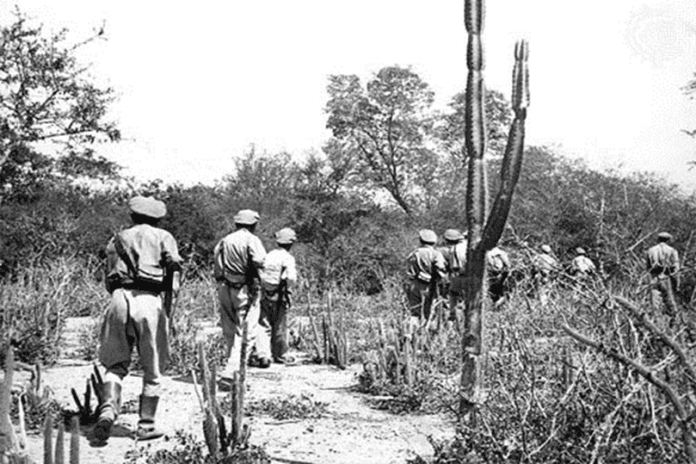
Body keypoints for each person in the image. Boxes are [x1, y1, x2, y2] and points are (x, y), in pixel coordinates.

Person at [96, 195, 182, 442]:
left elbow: (107, 279)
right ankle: (146, 424)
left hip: (118, 298)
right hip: (149, 300)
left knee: (115, 365)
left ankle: (108, 410)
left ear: (132, 216)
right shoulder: (163, 237)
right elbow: (174, 273)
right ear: (157, 218)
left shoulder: (117, 239)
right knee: (152, 367)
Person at [214, 209, 267, 374]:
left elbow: (217, 260)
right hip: (244, 288)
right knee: (246, 330)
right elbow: (259, 260)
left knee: (229, 329)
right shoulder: (252, 239)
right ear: (254, 224)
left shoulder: (225, 240)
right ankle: (233, 370)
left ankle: (231, 365)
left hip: (224, 286)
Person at [256, 228, 298, 365]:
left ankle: (263, 355)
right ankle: (280, 354)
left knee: (263, 324)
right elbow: (291, 278)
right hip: (280, 295)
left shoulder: (268, 255)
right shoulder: (288, 258)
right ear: (290, 243)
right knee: (280, 325)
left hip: (263, 293)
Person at [405, 229, 446, 322]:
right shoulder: (436, 254)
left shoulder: (414, 253)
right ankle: (427, 334)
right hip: (430, 286)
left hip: (414, 285)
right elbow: (441, 270)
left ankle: (410, 333)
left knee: (414, 312)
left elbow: (409, 271)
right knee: (430, 313)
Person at [645, 231, 680, 314]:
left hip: (653, 278)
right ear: (668, 240)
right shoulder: (672, 251)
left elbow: (647, 267)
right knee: (670, 303)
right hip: (666, 278)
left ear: (658, 239)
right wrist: (677, 284)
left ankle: (656, 321)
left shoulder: (650, 250)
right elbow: (676, 269)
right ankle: (673, 323)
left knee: (654, 304)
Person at [443, 228, 467, 324]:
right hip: (471, 277)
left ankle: (456, 324)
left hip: (458, 277)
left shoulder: (453, 249)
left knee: (455, 303)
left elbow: (453, 266)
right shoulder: (469, 246)